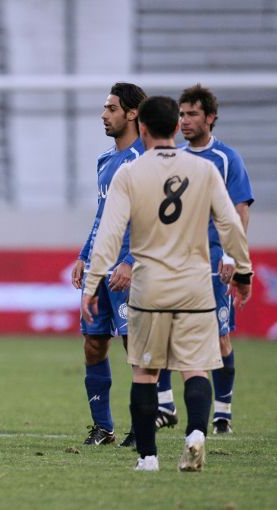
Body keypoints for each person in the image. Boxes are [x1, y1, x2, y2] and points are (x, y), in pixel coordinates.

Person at [81, 95, 252, 472]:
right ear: (176, 127)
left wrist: (93, 284)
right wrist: (242, 272)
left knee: (145, 372)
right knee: (195, 367)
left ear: (142, 127)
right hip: (195, 284)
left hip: (149, 286)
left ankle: (148, 457)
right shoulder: (204, 169)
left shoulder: (130, 173)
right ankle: (196, 433)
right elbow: (230, 224)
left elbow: (109, 235)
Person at [154, 84, 255, 435]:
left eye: (193, 114)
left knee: (219, 337)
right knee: (163, 330)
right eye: (181, 114)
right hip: (174, 262)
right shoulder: (174, 157)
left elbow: (239, 211)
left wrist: (231, 255)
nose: (185, 120)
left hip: (213, 262)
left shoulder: (226, 159)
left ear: (210, 117)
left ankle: (222, 413)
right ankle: (165, 405)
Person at [71, 82, 147, 446]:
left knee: (137, 348)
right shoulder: (105, 160)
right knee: (93, 344)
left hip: (132, 269)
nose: (104, 115)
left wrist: (131, 261)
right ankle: (103, 427)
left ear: (132, 113)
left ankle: (143, 426)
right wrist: (84, 254)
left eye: (111, 108)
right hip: (100, 267)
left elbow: (150, 219)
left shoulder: (146, 159)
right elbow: (103, 216)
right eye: (105, 108)